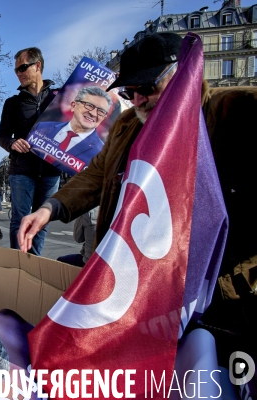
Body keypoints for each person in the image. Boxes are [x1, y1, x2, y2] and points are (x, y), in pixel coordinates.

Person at [18, 33, 257, 340]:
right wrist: (50, 208)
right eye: (130, 93)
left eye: (147, 88)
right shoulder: (126, 125)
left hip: (211, 290)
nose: (139, 100)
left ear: (185, 75)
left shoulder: (236, 110)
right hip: (135, 282)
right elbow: (96, 175)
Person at [0, 47, 62, 256]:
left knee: (42, 220)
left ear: (38, 66)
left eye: (23, 68)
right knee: (20, 218)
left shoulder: (59, 98)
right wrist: (12, 143)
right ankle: (19, 264)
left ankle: (34, 262)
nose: (19, 73)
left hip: (51, 172)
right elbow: (2, 135)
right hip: (21, 171)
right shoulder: (13, 103)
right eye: (16, 70)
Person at [32, 86, 111, 160]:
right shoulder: (41, 127)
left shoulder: (101, 153)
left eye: (101, 111)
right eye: (89, 105)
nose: (93, 113)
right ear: (73, 106)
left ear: (104, 117)